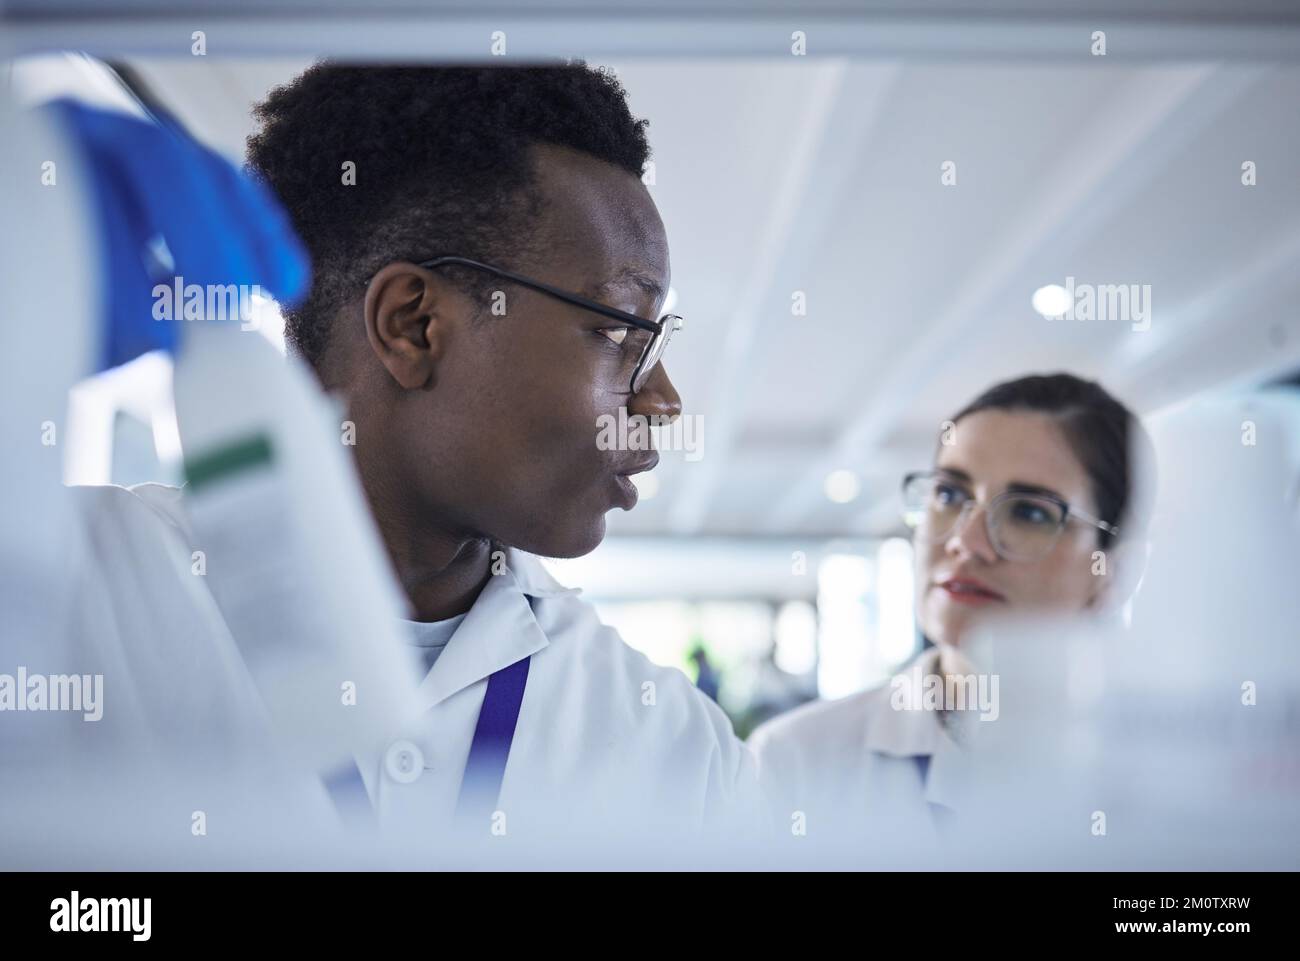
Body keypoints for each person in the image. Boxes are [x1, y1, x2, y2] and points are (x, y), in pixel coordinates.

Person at [65, 62, 761, 846]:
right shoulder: (70, 594)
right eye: (622, 332)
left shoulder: (674, 748)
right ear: (415, 326)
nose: (663, 400)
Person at [748, 373, 1152, 844]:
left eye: (1029, 513)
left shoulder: (1175, 776)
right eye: (949, 495)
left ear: (1113, 567)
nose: (965, 541)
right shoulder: (796, 760)